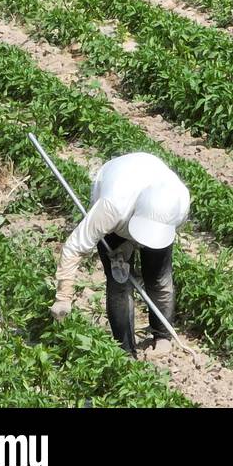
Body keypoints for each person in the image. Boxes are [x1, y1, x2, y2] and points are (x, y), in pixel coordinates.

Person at [50, 152, 190, 358]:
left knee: (159, 277)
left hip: (151, 181)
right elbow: (74, 247)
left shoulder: (178, 203)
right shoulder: (111, 208)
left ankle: (162, 337)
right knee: (119, 282)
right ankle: (125, 351)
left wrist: (137, 243)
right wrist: (64, 295)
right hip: (118, 191)